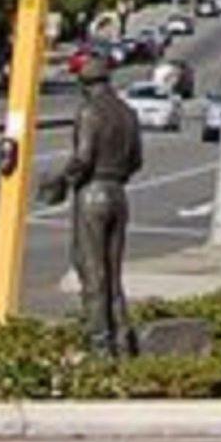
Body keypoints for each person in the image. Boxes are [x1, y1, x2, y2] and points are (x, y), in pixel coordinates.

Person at [38, 45, 143, 355]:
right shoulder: (128, 113)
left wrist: (61, 180)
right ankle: (122, 338)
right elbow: (136, 160)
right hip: (118, 193)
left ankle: (100, 347)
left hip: (92, 194)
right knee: (113, 273)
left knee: (92, 271)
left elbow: (83, 158)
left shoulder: (89, 112)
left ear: (84, 85)